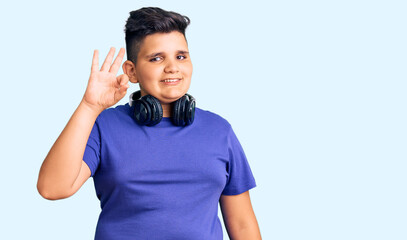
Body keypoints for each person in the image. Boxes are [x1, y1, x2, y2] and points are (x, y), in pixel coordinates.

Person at [37, 7, 261, 240]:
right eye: (157, 58)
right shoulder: (104, 126)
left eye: (181, 56)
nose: (173, 67)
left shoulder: (219, 130)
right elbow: (52, 188)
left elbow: (243, 225)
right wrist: (89, 106)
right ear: (131, 72)